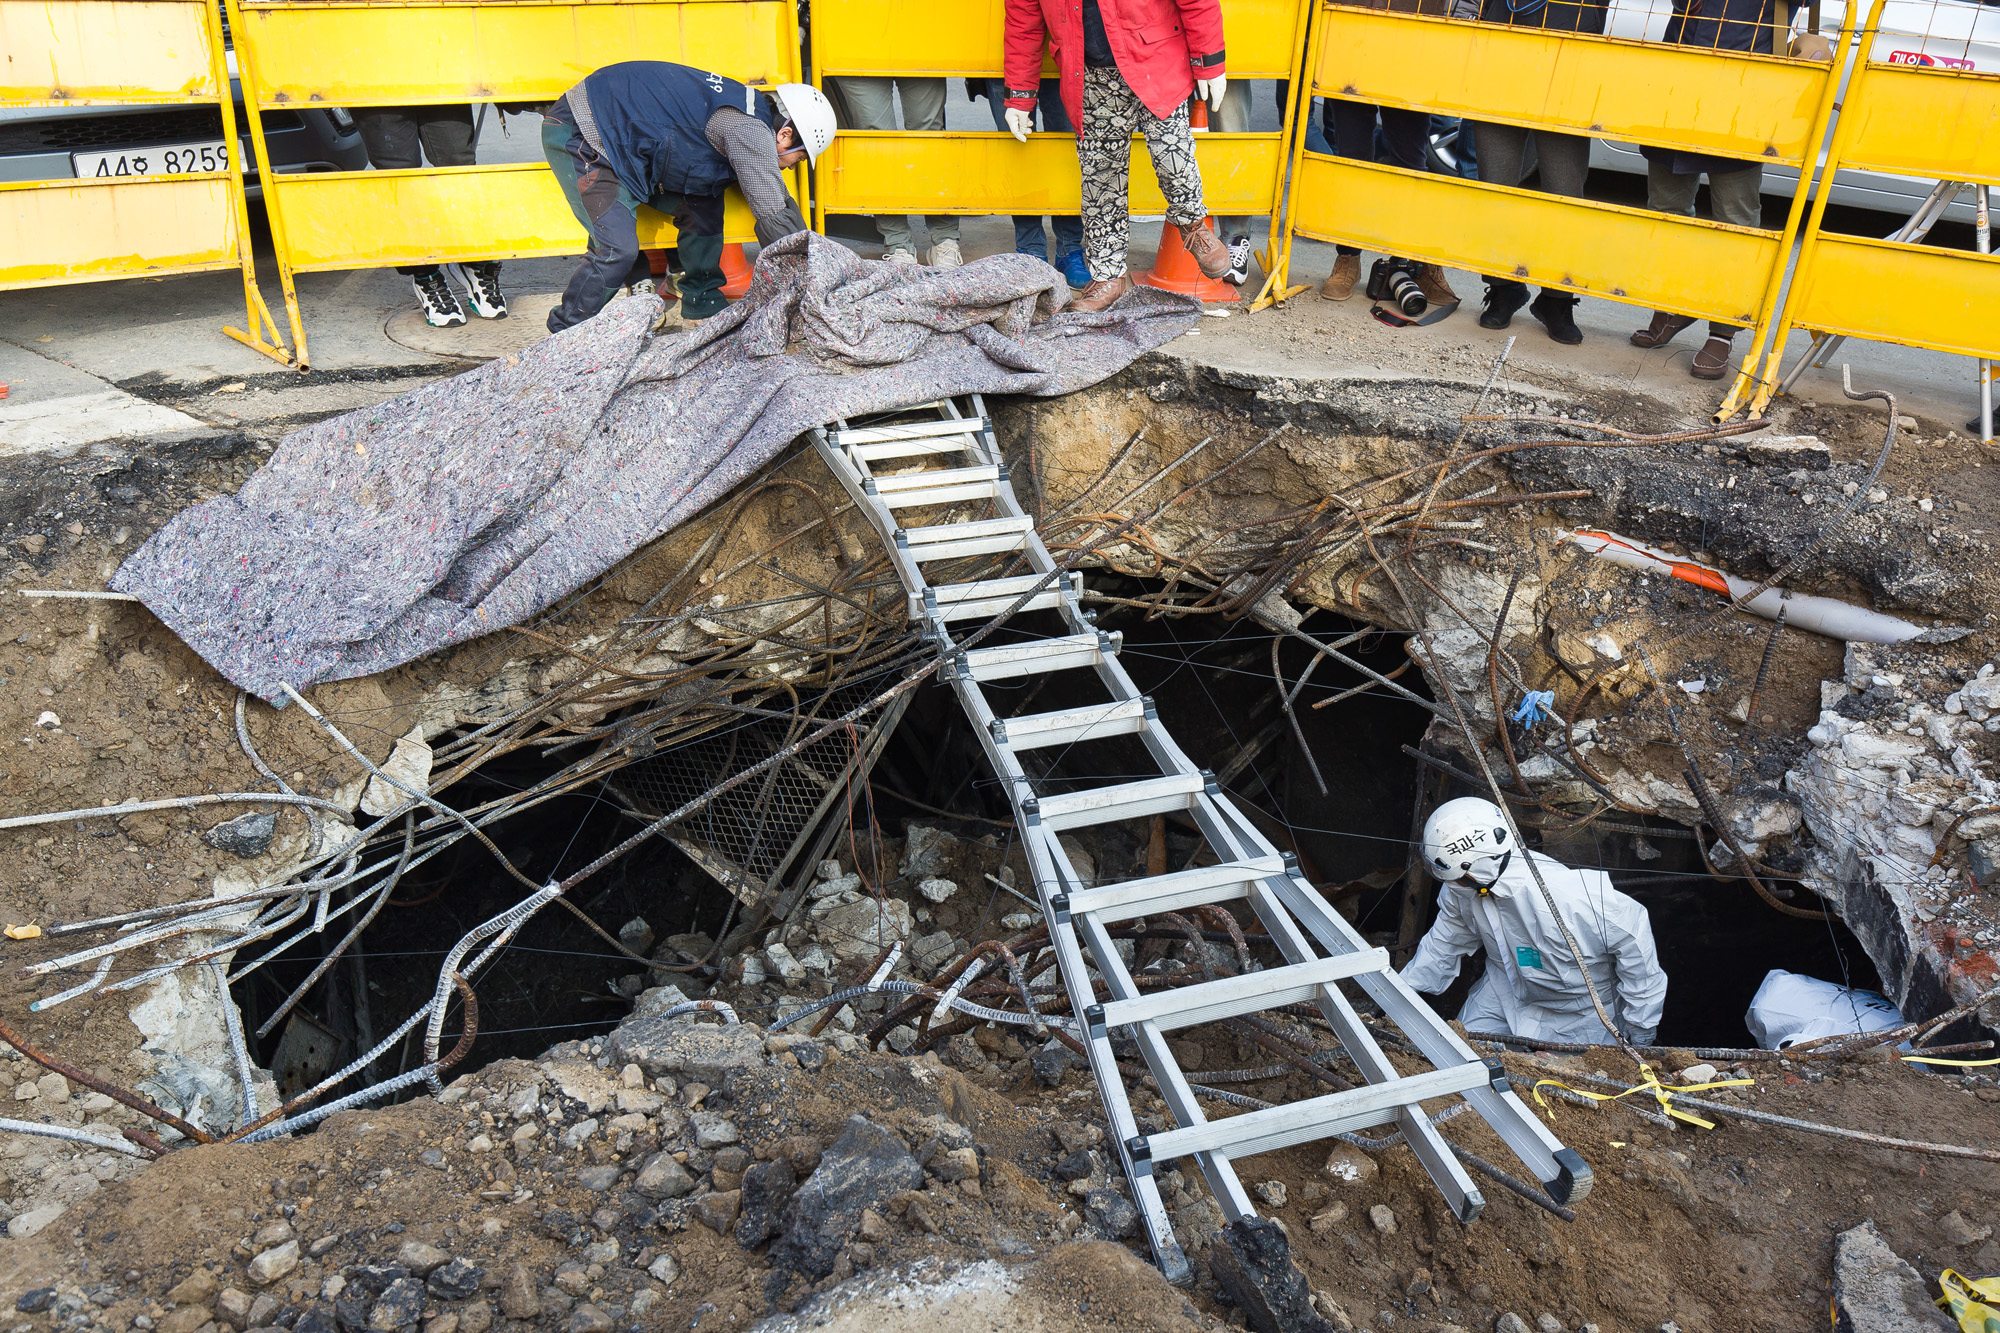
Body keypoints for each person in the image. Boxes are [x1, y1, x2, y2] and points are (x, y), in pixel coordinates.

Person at [539, 65, 833, 334]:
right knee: (617, 250)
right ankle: (565, 330)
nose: (792, 167)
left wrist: (813, 262)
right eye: (799, 158)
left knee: (703, 203)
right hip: (585, 133)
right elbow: (773, 213)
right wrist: (810, 283)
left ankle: (702, 303)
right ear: (785, 134)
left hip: (626, 140)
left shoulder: (752, 112)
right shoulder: (750, 131)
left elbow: (777, 200)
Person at [1002, 0, 1235, 312]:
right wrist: (1019, 95)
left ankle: (1192, 224)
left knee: (1172, 155)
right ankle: (1108, 277)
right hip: (1090, 74)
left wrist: (1210, 62)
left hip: (1157, 60)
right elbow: (1024, 21)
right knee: (1101, 182)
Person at [1400, 797, 1667, 1046]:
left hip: (1582, 1013)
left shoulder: (1573, 898)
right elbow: (1443, 943)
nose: (1451, 884)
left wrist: (1641, 1029)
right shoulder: (1462, 891)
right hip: (1504, 993)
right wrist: (1400, 994)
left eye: (1456, 878)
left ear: (1475, 870)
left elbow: (1636, 950)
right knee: (1461, 1054)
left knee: (1567, 1078)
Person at [1628, 0, 1781, 379]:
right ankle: (1671, 305)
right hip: (1680, 81)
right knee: (1667, 212)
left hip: (1744, 90)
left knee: (1735, 222)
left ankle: (1723, 331)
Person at [1468, 0, 1610, 345]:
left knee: (1565, 193)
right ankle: (1503, 287)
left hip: (1570, 50)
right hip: (1502, 43)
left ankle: (1556, 299)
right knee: (1495, 186)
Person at [354, 106, 506, 328]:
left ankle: (474, 262)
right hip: (377, 92)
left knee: (458, 163)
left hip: (441, 87)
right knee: (399, 175)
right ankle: (426, 276)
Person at [1313, 99, 1455, 308]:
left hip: (1413, 82)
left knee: (1412, 168)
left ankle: (1419, 263)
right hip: (1354, 79)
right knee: (1353, 163)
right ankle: (1348, 257)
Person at [828, 76, 963, 267]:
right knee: (876, 141)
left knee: (930, 137)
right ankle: (897, 243)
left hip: (919, 58)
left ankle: (944, 240)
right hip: (860, 58)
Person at [972, 79, 1090, 289]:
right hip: (1003, 64)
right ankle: (1030, 249)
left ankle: (1069, 248)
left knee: (1066, 148)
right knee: (1018, 149)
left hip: (1062, 62)